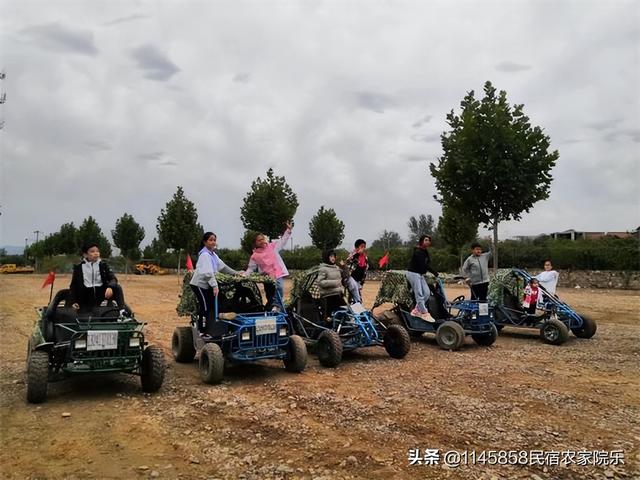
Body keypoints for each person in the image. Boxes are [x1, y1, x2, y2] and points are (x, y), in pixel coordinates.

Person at [190, 232, 241, 335]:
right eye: (210, 240)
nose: (213, 242)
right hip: (199, 284)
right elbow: (208, 273)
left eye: (214, 240)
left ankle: (213, 327)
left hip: (207, 283)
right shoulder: (204, 255)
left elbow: (223, 267)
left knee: (213, 305)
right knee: (204, 306)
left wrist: (237, 273)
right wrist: (214, 286)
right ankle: (202, 330)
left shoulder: (213, 255)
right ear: (205, 242)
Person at [244, 221, 292, 310]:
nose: (262, 241)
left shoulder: (272, 246)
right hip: (267, 277)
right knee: (269, 293)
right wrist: (243, 275)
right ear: (255, 243)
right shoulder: (255, 255)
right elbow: (251, 268)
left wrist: (288, 230)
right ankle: (270, 308)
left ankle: (277, 306)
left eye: (263, 239)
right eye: (259, 240)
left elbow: (283, 240)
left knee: (279, 287)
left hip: (277, 273)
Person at [70, 243, 124, 312]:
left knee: (117, 287)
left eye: (97, 251)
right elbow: (73, 285)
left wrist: (110, 287)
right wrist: (73, 301)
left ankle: (122, 312)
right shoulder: (79, 268)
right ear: (85, 254)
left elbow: (113, 278)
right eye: (92, 251)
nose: (96, 253)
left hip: (101, 294)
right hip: (85, 295)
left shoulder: (103, 265)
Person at [405, 235, 436, 322]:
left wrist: (434, 272)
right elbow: (424, 265)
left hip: (420, 274)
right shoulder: (418, 252)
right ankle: (424, 313)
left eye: (429, 240)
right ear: (421, 241)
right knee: (419, 293)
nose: (428, 242)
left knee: (426, 293)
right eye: (426, 240)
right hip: (413, 273)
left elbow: (427, 264)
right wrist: (433, 271)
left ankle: (416, 310)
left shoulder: (425, 252)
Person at [343, 239, 368, 304]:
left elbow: (365, 270)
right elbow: (347, 263)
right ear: (357, 247)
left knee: (356, 297)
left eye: (364, 247)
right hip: (350, 278)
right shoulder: (352, 254)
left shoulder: (365, 257)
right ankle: (357, 305)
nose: (363, 248)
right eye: (362, 247)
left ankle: (356, 306)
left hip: (358, 280)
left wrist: (361, 283)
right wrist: (357, 254)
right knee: (354, 294)